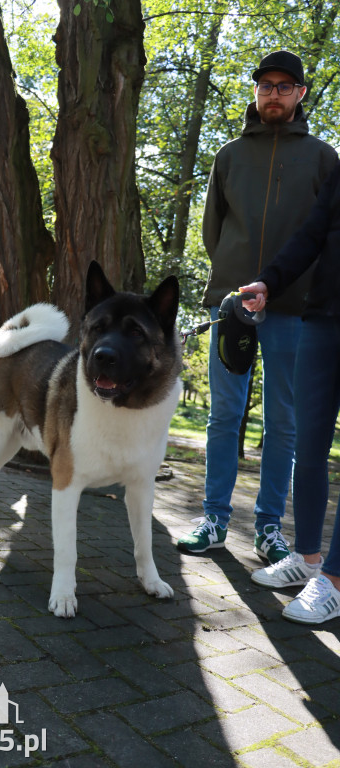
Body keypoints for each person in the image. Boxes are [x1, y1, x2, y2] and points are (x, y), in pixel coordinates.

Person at [177, 51, 338, 562]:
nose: (273, 93)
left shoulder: (323, 157)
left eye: (285, 86)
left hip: (295, 310)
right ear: (256, 92)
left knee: (283, 422)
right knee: (224, 415)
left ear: (301, 95)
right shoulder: (228, 155)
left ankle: (269, 528)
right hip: (233, 305)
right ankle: (214, 519)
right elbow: (212, 228)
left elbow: (326, 236)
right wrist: (233, 280)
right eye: (266, 85)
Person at [240, 160, 340, 624]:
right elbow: (311, 234)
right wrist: (270, 280)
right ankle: (308, 559)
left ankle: (335, 582)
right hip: (321, 319)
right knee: (310, 446)